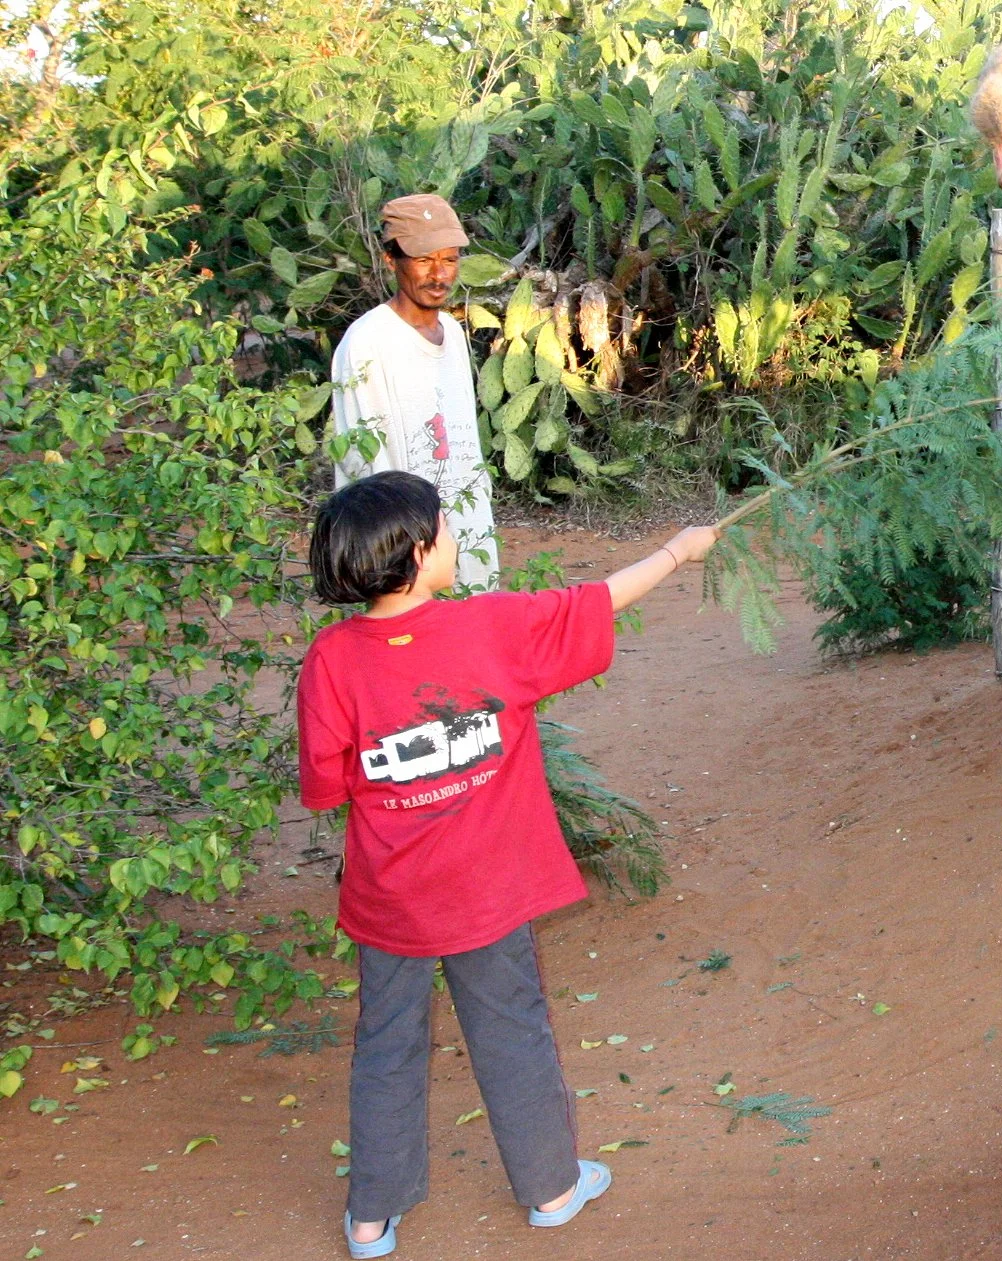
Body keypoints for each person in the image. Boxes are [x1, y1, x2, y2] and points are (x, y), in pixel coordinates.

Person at [297, 469, 719, 1257]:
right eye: (446, 530)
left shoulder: (330, 659)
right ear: (420, 553)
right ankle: (553, 1190)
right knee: (512, 1031)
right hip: (486, 891)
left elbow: (325, 787)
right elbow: (597, 600)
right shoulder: (491, 626)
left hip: (390, 899)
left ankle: (369, 1219)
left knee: (387, 1043)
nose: (454, 540)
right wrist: (676, 550)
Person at [330, 193, 499, 591]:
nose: (439, 275)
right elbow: (366, 465)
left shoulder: (454, 334)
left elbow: (463, 444)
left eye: (450, 259)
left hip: (466, 531)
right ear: (392, 260)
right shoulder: (367, 342)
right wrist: (401, 555)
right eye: (423, 260)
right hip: (406, 547)